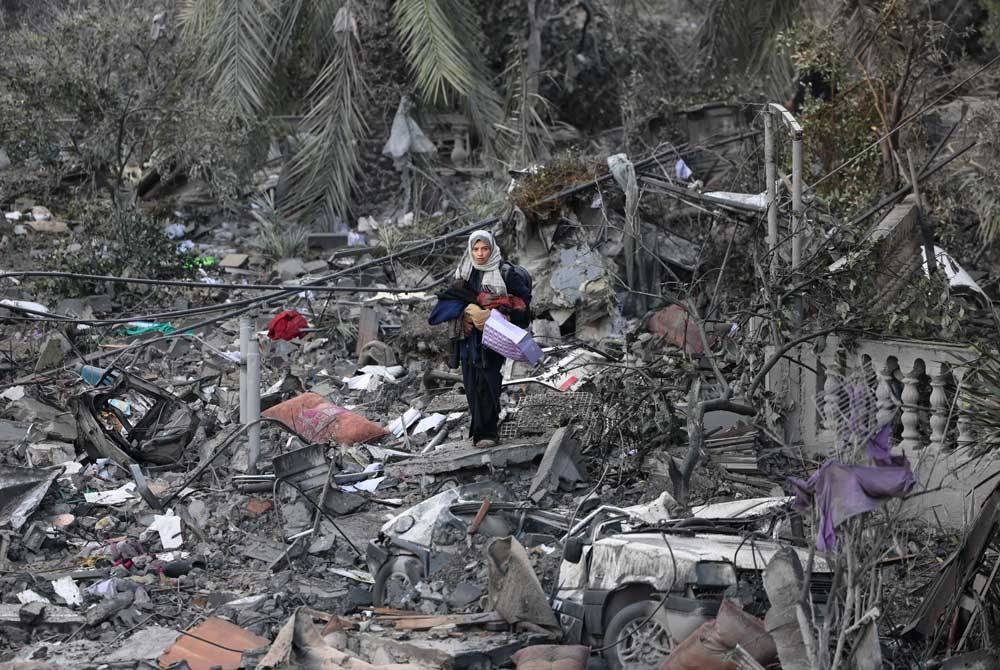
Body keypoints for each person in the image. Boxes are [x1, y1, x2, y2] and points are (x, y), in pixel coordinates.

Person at [430, 232, 531, 448]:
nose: (480, 254)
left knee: (489, 382)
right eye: (475, 249)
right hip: (468, 341)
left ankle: (488, 433)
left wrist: (500, 310)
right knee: (471, 385)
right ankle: (477, 431)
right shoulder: (464, 273)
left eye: (484, 249)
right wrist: (467, 311)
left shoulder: (505, 273)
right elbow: (445, 303)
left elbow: (524, 307)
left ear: (491, 249)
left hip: (493, 341)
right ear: (470, 250)